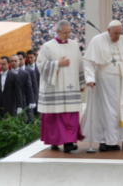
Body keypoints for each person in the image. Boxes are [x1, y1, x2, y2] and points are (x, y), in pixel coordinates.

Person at [80, 20, 123, 152]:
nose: (118, 36)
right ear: (108, 31)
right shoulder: (97, 40)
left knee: (119, 112)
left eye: (120, 33)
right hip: (104, 84)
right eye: (115, 33)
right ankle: (104, 141)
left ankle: (113, 141)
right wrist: (89, 79)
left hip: (122, 84)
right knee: (106, 112)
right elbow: (89, 63)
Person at [37, 20, 86, 153]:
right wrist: (57, 64)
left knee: (71, 116)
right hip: (55, 88)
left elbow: (80, 64)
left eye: (69, 32)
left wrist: (82, 83)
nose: (67, 35)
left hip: (71, 86)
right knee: (55, 117)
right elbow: (40, 65)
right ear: (57, 31)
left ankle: (69, 143)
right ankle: (55, 141)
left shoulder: (74, 45)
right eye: (64, 33)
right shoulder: (47, 46)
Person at [10, 55, 34, 122]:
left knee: (22, 120)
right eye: (12, 61)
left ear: (19, 61)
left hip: (21, 101)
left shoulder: (25, 74)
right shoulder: (8, 73)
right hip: (9, 102)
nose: (14, 62)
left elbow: (29, 89)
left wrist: (31, 101)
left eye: (15, 61)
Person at [17, 51, 38, 117]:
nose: (19, 61)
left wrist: (33, 101)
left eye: (20, 59)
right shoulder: (13, 71)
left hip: (28, 100)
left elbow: (34, 87)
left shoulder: (30, 71)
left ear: (24, 59)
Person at [26, 50, 40, 116]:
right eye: (28, 57)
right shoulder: (24, 67)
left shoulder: (39, 67)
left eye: (31, 57)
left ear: (35, 57)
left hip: (38, 95)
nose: (30, 59)